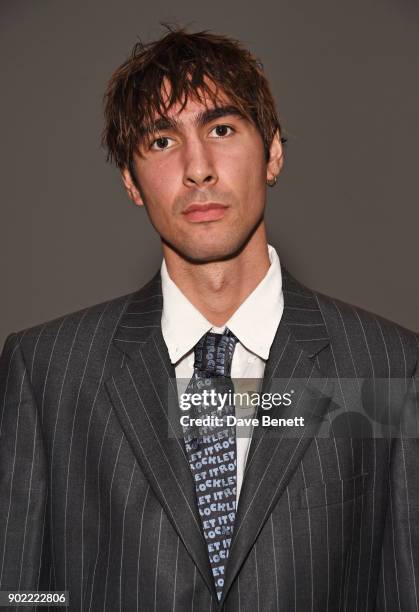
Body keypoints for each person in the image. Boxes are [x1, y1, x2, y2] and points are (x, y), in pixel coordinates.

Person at [0, 26, 418, 612]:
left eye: (222, 129)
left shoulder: (388, 367)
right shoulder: (48, 372)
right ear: (130, 180)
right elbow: (19, 591)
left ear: (272, 151)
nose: (198, 168)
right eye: (162, 142)